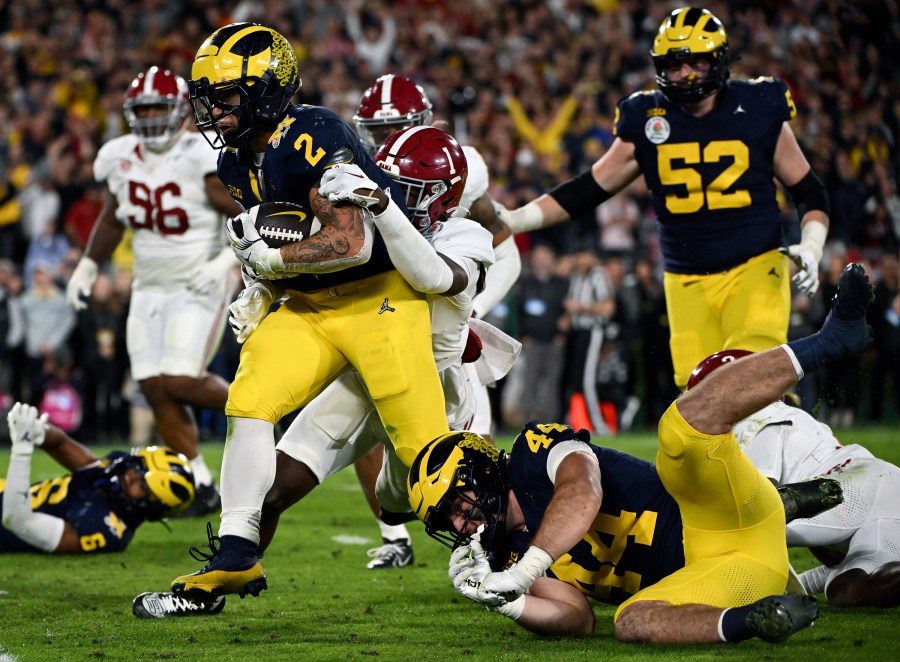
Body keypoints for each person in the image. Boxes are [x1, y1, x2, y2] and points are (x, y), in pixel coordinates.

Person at [407, 262, 873, 643]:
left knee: (678, 428)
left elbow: (582, 490)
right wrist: (510, 599)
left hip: (712, 514)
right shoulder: (506, 553)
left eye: (456, 506)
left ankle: (830, 342)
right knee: (630, 621)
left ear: (483, 473)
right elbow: (576, 618)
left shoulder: (532, 452)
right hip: (730, 575)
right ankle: (755, 619)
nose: (457, 526)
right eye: (444, 523)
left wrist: (528, 567)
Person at [170, 23, 448, 602]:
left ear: (269, 88)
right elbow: (279, 247)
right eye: (209, 99)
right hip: (311, 306)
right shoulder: (234, 165)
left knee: (428, 462)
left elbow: (352, 243)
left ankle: (516, 548)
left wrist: (270, 260)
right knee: (249, 397)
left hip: (382, 301)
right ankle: (238, 552)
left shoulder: (313, 132)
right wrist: (261, 286)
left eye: (226, 97)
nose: (214, 112)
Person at [495, 7, 831, 390]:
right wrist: (517, 219)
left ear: (718, 62)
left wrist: (813, 244)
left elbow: (808, 189)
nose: (685, 74)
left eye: (696, 63)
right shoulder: (648, 116)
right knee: (697, 394)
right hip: (684, 277)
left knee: (751, 380)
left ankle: (797, 442)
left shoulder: (757, 105)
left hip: (755, 265)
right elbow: (587, 189)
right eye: (674, 65)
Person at [252, 126, 497, 573]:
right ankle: (227, 573)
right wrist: (263, 288)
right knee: (269, 490)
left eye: (405, 189)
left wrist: (383, 205)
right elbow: (316, 276)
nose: (388, 193)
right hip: (362, 379)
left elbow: (432, 277)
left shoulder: (466, 235)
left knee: (453, 506)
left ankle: (531, 571)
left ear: (441, 195)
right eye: (384, 182)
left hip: (429, 395)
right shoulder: (364, 228)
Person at [348, 74, 522, 568]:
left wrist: (473, 308)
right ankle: (393, 535)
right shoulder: (352, 170)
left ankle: (492, 546)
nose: (384, 143)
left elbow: (503, 244)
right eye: (376, 131)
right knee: (366, 423)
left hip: (445, 319)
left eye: (398, 128)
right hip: (381, 316)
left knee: (473, 439)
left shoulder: (454, 163)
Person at [65, 66, 244, 516]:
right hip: (149, 283)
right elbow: (111, 216)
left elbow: (245, 209)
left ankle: (268, 404)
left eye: (156, 108)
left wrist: (227, 259)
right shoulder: (118, 155)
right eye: (141, 110)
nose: (148, 118)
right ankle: (201, 483)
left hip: (199, 276)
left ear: (180, 111)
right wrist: (88, 266)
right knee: (151, 384)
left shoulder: (199, 154)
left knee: (179, 379)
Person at [689, 349, 900, 608]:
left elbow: (758, 506)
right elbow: (830, 559)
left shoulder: (754, 418)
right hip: (877, 486)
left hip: (845, 489)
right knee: (847, 590)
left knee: (733, 522)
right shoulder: (789, 415)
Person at [1, 402, 196, 554]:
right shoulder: (115, 470)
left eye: (142, 485)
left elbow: (18, 521)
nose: (131, 477)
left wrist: (22, 449)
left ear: (151, 506)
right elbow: (60, 444)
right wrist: (37, 430)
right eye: (138, 468)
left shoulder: (106, 530)